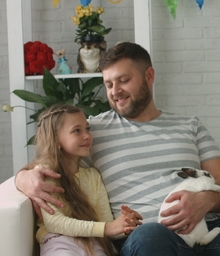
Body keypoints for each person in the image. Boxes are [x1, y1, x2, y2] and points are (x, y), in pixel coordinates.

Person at [15, 42, 220, 256]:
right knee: (151, 236)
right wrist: (23, 178)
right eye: (108, 84)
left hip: (210, 227)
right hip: (148, 236)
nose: (114, 91)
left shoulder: (189, 125)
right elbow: (53, 153)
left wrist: (205, 201)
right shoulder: (92, 131)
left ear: (149, 76)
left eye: (123, 80)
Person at [32, 103, 142, 256]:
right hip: (59, 241)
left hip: (94, 243)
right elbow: (54, 222)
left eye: (87, 129)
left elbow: (105, 220)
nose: (87, 136)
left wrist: (125, 225)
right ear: (56, 140)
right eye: (77, 131)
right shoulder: (45, 175)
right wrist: (107, 228)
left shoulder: (93, 176)